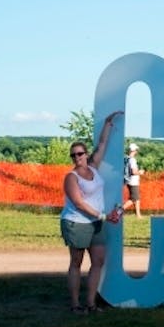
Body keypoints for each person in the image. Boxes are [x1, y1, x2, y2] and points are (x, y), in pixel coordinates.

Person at [61, 110, 123, 313]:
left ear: (86, 154)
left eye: (80, 153)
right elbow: (78, 203)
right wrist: (103, 216)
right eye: (73, 155)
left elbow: (102, 145)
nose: (77, 157)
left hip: (96, 223)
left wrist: (107, 123)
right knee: (76, 262)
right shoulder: (71, 177)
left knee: (98, 261)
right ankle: (75, 304)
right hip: (77, 222)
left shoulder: (94, 168)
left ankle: (91, 303)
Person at [123, 141, 145, 218]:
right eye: (136, 150)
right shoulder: (132, 160)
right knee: (133, 199)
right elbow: (134, 171)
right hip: (133, 181)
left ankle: (138, 214)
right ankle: (119, 210)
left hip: (129, 180)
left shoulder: (126, 158)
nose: (136, 151)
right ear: (134, 150)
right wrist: (140, 172)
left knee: (137, 198)